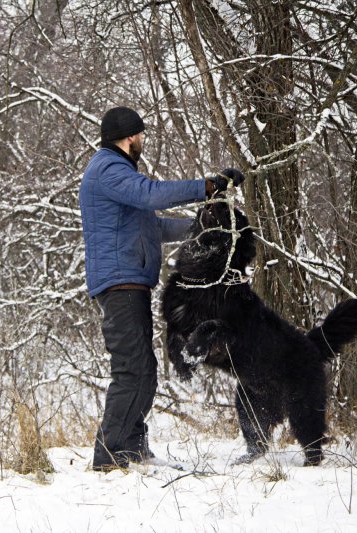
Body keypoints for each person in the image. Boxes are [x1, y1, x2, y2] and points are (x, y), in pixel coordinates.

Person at [79, 106, 244, 471]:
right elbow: (152, 195)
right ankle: (110, 455)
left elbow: (154, 228)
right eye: (140, 135)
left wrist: (207, 224)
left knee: (144, 368)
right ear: (128, 137)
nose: (142, 141)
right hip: (119, 282)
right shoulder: (108, 169)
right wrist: (206, 187)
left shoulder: (118, 177)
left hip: (129, 281)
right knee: (132, 367)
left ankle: (132, 448)